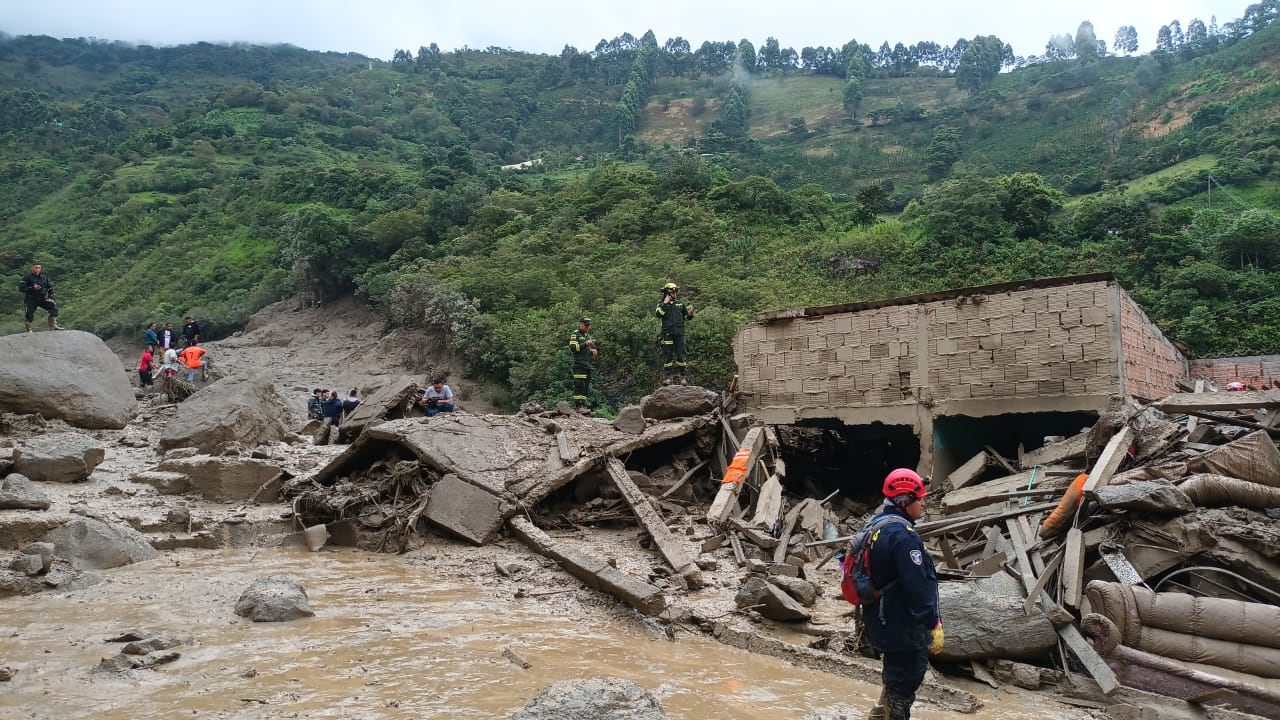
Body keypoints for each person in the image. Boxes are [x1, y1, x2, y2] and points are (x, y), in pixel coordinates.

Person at [861, 468, 943, 720]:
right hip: (902, 625)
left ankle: (878, 714)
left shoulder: (876, 525)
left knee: (894, 676)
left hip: (882, 619)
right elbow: (917, 585)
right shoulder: (902, 536)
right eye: (920, 499)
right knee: (904, 683)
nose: (924, 503)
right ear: (905, 502)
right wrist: (932, 622)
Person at [654, 281, 694, 385]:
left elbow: (687, 317)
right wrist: (665, 303)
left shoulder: (680, 304)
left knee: (681, 355)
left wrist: (690, 315)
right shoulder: (661, 304)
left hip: (679, 334)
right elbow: (658, 315)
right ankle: (668, 378)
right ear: (667, 293)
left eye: (675, 292)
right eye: (673, 292)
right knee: (668, 356)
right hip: (667, 334)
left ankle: (683, 377)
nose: (675, 294)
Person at [18, 262, 61, 333]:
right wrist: (32, 288)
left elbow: (50, 288)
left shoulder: (44, 277)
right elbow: (21, 289)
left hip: (42, 298)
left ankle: (53, 326)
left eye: (39, 268)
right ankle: (29, 330)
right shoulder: (27, 278)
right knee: (29, 314)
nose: (37, 269)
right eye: (36, 268)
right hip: (30, 299)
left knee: (54, 308)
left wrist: (51, 297)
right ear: (32, 268)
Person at [569, 317, 597, 410]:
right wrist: (585, 344)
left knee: (586, 386)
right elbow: (573, 348)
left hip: (587, 364)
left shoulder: (587, 336)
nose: (588, 327)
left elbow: (585, 350)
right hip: (579, 364)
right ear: (581, 324)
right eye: (586, 325)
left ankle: (583, 404)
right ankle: (578, 405)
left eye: (589, 325)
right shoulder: (575, 334)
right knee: (579, 384)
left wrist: (592, 351)